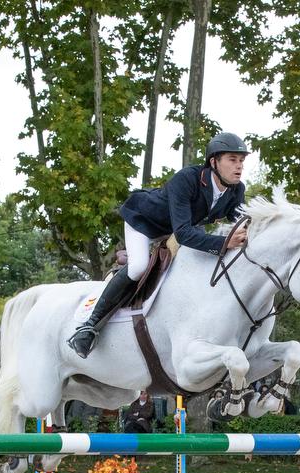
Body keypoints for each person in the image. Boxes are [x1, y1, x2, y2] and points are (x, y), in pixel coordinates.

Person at [67, 131, 251, 358]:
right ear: (214, 162)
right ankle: (89, 327)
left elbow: (241, 227)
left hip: (176, 229)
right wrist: (224, 242)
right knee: (138, 267)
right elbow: (184, 234)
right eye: (232, 160)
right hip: (144, 222)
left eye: (242, 160)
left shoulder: (236, 190)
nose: (239, 166)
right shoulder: (187, 179)